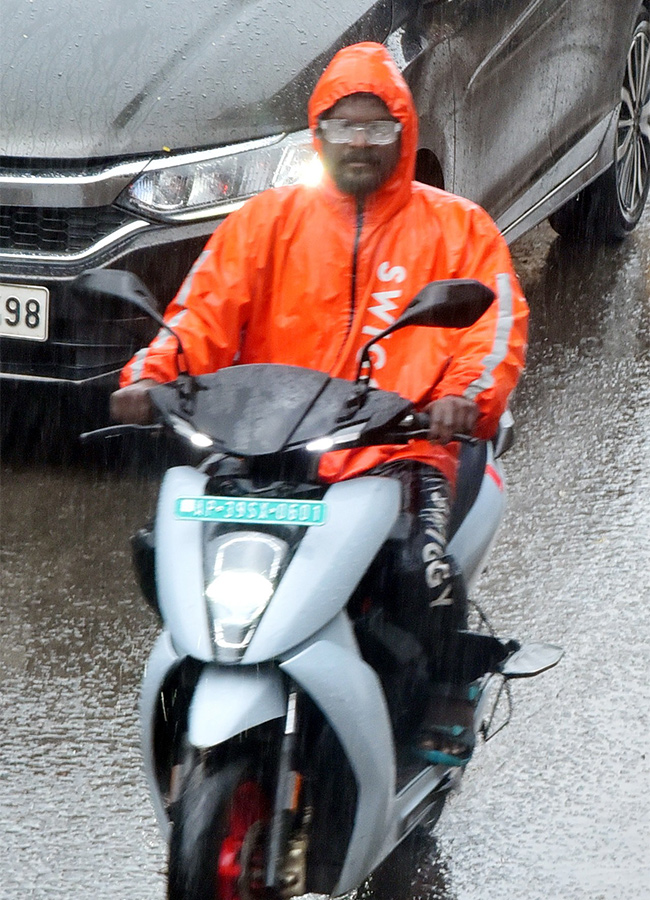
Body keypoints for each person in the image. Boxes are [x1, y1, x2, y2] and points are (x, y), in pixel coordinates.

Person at [112, 42, 528, 765]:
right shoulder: (266, 223)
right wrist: (152, 375)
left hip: (401, 449)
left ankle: (446, 697)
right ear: (319, 132)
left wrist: (465, 397)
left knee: (420, 572)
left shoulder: (458, 228)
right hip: (272, 446)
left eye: (377, 125)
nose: (360, 141)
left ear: (404, 131)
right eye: (344, 125)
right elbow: (202, 313)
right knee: (165, 553)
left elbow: (492, 329)